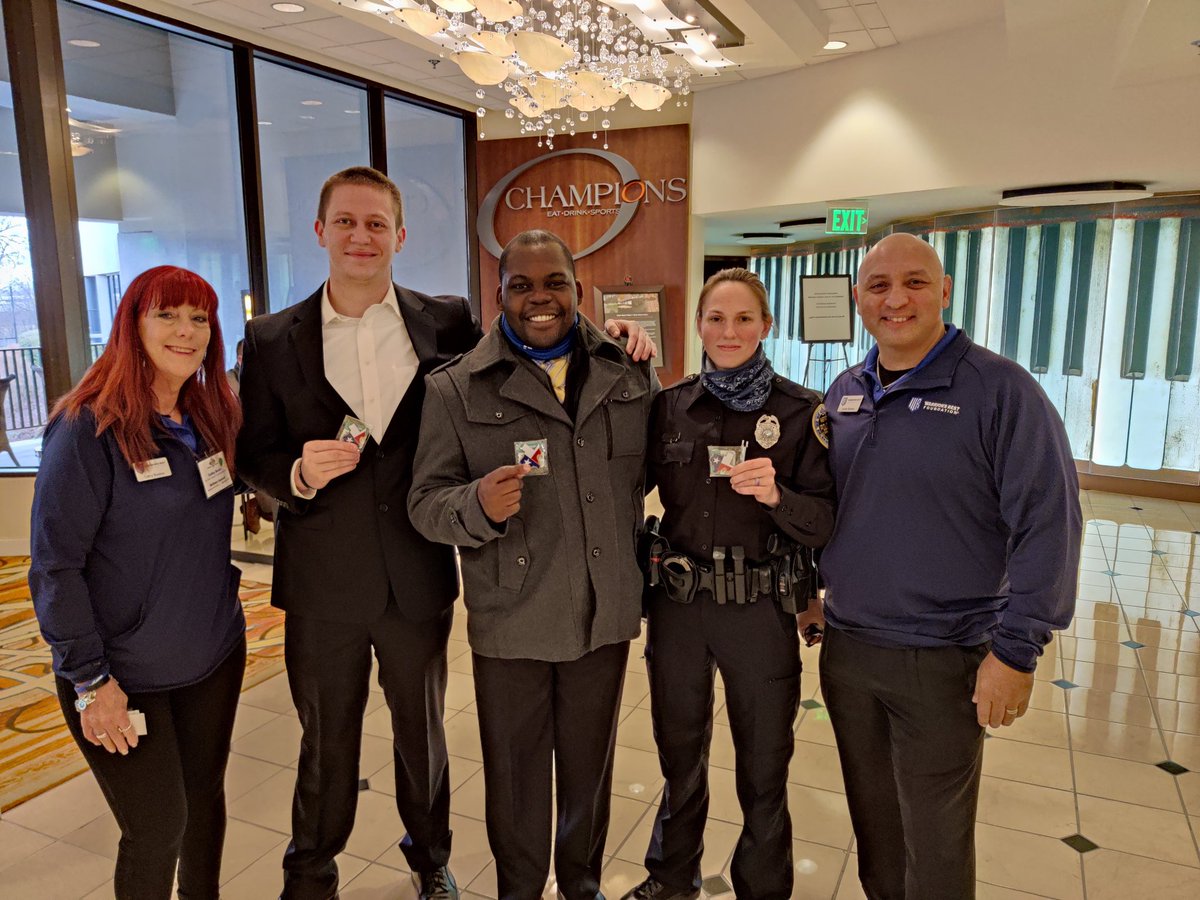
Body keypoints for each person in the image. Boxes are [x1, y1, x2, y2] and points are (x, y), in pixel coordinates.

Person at [237, 172, 652, 900]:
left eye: (375, 224)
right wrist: (295, 474)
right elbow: (252, 452)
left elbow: (525, 343)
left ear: (399, 236)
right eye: (346, 223)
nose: (360, 237)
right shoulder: (272, 338)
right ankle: (310, 872)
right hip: (323, 579)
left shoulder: (445, 321)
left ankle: (430, 859)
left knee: (421, 736)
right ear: (321, 231)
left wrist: (615, 335)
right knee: (325, 741)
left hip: (416, 574)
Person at [819, 233, 1081, 899]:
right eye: (878, 286)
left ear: (945, 291)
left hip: (945, 660)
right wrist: (817, 586)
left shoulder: (1000, 391)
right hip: (848, 653)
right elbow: (834, 508)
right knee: (877, 833)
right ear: (858, 299)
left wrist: (1018, 651)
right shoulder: (844, 394)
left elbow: (1048, 524)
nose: (896, 298)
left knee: (934, 843)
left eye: (914, 282)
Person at [408, 230, 659, 900]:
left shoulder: (628, 373)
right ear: (500, 295)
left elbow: (661, 469)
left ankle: (581, 885)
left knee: (590, 774)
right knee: (517, 784)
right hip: (512, 621)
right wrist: (477, 506)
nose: (539, 298)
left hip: (602, 616)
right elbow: (425, 503)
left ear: (579, 290)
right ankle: (518, 890)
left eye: (555, 283)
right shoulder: (455, 389)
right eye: (522, 285)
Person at [29, 265, 246, 899]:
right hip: (120, 675)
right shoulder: (86, 430)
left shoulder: (207, 417)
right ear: (132, 325)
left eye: (199, 318)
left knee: (204, 804)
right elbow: (55, 565)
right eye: (167, 315)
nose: (186, 331)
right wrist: (91, 681)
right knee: (158, 827)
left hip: (211, 655)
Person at [622, 268, 835, 900]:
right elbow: (628, 490)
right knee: (680, 755)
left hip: (759, 613)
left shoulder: (801, 412)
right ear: (699, 326)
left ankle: (762, 888)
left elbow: (824, 520)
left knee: (764, 767)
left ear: (767, 327)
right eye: (716, 318)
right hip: (681, 611)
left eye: (744, 319)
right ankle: (670, 878)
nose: (729, 331)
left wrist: (777, 496)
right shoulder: (671, 407)